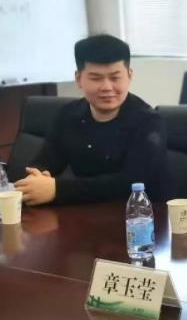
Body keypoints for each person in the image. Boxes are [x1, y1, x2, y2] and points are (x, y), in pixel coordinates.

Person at [15, 34, 172, 205]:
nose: (107, 87)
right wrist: (36, 179)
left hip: (142, 215)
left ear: (129, 76)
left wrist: (57, 189)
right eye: (96, 78)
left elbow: (130, 182)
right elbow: (43, 161)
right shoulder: (68, 115)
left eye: (115, 77)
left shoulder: (148, 122)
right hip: (84, 213)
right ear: (79, 79)